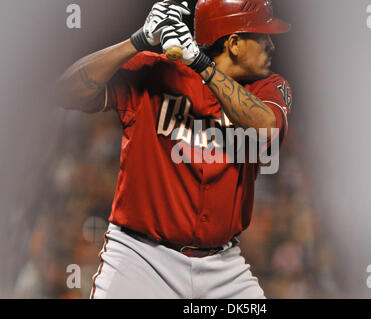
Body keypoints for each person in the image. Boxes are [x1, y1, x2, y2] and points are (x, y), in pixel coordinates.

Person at [55, 0, 292, 299]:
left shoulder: (268, 88)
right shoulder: (157, 72)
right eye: (262, 36)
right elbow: (65, 92)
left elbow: (265, 128)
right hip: (140, 257)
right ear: (234, 43)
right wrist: (136, 41)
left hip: (223, 266)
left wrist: (201, 65)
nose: (271, 45)